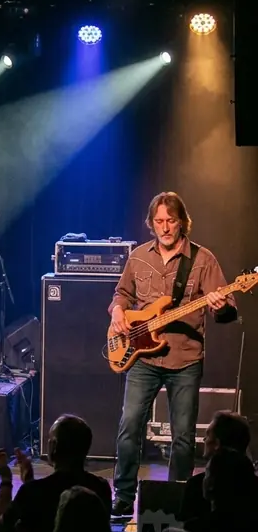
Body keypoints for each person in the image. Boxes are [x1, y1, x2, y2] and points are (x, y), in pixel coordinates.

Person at [108, 191, 238, 515]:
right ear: (151, 223)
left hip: (185, 359)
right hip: (143, 357)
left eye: (171, 220)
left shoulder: (203, 259)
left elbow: (227, 311)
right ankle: (123, 496)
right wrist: (118, 312)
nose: (165, 227)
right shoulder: (139, 257)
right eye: (159, 221)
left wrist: (219, 306)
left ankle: (177, 500)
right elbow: (121, 294)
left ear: (182, 222)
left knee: (182, 438)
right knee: (129, 427)